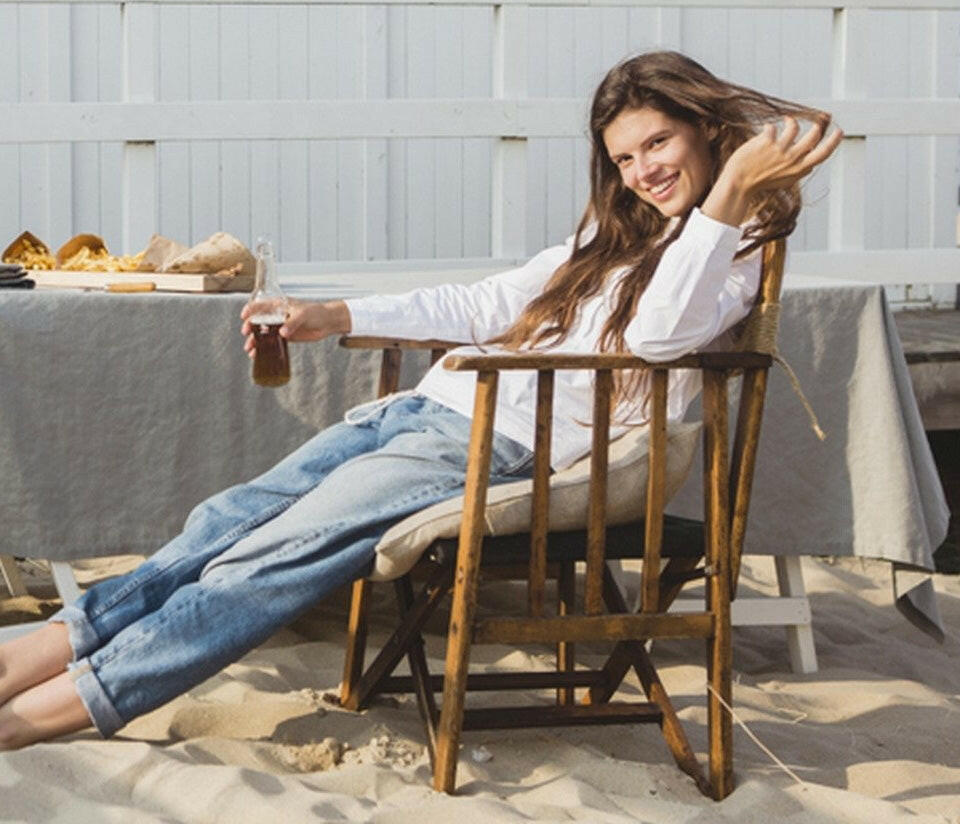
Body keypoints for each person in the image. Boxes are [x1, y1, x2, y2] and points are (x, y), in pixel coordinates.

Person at [0, 51, 842, 750]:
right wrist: (334, 316)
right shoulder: (616, 237)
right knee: (222, 523)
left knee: (273, 559)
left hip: (496, 445)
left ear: (705, 132)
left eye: (658, 142)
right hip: (424, 414)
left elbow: (660, 336)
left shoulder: (731, 254)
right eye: (625, 157)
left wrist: (729, 194)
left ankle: (55, 711)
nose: (643, 171)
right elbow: (484, 304)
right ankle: (34, 659)